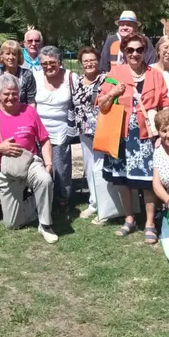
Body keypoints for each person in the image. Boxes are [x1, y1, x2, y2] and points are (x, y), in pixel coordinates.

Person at [97, 33, 169, 244]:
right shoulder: (115, 73)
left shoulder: (155, 75)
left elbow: (164, 104)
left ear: (145, 51)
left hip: (146, 137)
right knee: (122, 181)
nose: (135, 54)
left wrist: (162, 133)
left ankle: (149, 223)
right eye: (130, 50)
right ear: (124, 52)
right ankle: (129, 219)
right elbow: (101, 103)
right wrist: (113, 93)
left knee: (148, 182)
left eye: (139, 50)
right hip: (120, 136)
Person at [0, 74, 59, 244]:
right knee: (12, 223)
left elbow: (44, 139)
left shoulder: (29, 111)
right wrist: (0, 148)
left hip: (30, 163)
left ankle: (45, 224)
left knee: (45, 180)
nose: (11, 97)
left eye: (14, 93)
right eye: (6, 94)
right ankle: (37, 201)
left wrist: (48, 163)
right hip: (6, 170)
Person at [33, 46, 77, 207]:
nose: (49, 66)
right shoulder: (35, 76)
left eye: (52, 62)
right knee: (41, 164)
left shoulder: (71, 77)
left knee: (61, 166)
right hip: (39, 129)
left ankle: (62, 198)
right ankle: (44, 196)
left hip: (61, 128)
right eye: (44, 63)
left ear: (60, 62)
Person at [72, 46, 106, 221]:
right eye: (85, 60)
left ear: (98, 60)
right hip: (83, 131)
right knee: (88, 166)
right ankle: (94, 201)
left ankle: (104, 203)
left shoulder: (105, 79)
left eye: (92, 59)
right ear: (81, 63)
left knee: (100, 167)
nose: (89, 63)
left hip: (102, 131)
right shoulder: (77, 81)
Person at [0, 40, 36, 106]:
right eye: (7, 54)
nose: (11, 57)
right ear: (1, 56)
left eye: (14, 54)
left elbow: (31, 101)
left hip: (21, 113)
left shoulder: (27, 74)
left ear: (19, 56)